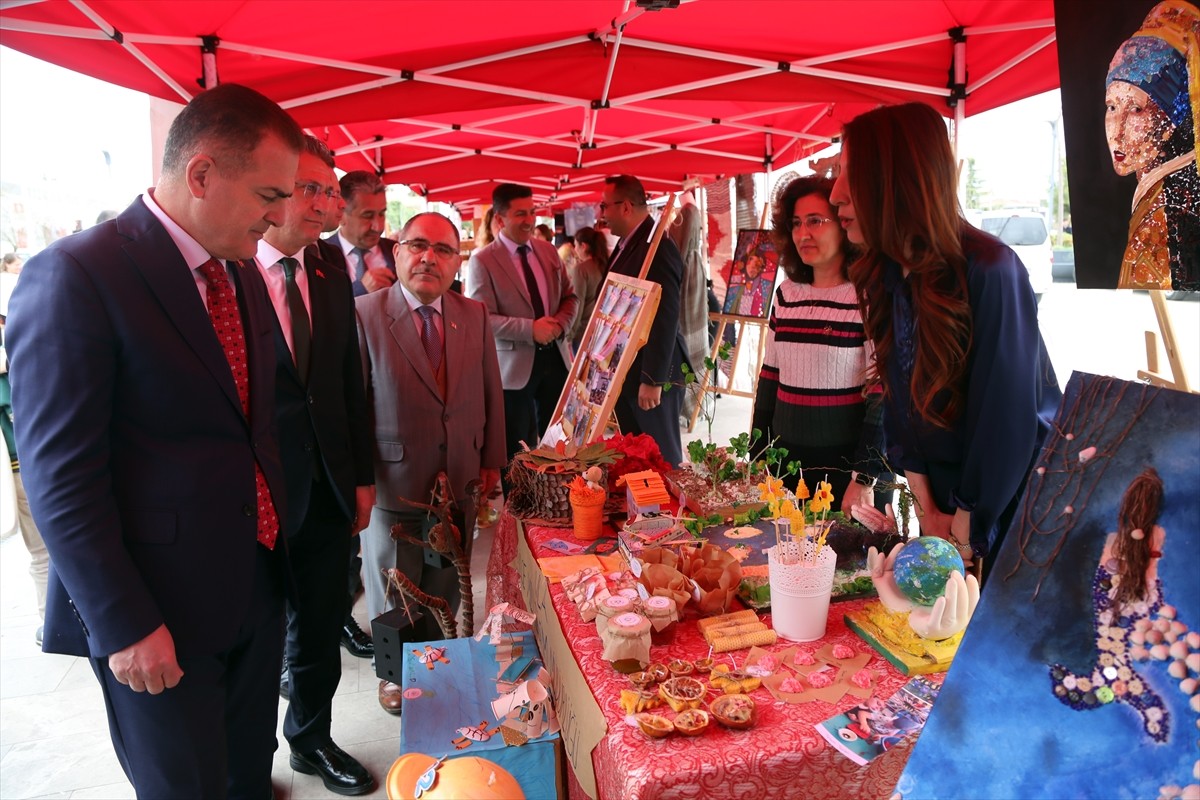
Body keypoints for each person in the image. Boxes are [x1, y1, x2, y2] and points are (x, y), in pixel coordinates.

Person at [6, 83, 302, 799]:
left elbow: (253, 425)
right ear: (201, 174)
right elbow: (61, 481)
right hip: (159, 615)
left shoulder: (240, 272)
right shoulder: (77, 276)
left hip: (256, 592)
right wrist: (124, 624)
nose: (279, 214)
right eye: (268, 193)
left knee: (245, 780)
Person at [830, 102, 1062, 571]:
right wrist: (929, 511)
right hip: (943, 514)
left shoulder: (991, 269)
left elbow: (1005, 424)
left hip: (1012, 519)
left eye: (851, 173)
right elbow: (901, 405)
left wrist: (962, 526)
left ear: (898, 179)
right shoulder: (892, 275)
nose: (835, 194)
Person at [255, 136, 376, 795]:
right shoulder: (229, 264)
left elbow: (345, 381)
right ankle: (245, 757)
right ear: (270, 189)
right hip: (251, 493)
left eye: (332, 191)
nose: (327, 202)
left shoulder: (330, 264)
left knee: (319, 626)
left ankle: (311, 739)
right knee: (251, 633)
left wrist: (360, 477)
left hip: (327, 486)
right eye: (312, 189)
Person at [356, 212, 505, 715]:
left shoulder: (473, 314)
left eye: (443, 250)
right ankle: (395, 676)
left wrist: (491, 463)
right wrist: (358, 481)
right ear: (396, 252)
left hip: (458, 479)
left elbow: (491, 392)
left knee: (448, 581)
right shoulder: (366, 314)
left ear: (456, 261)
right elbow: (353, 409)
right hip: (390, 483)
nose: (429, 258)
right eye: (418, 246)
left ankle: (439, 661)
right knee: (396, 586)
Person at [751, 175, 884, 510]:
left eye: (815, 221)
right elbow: (769, 379)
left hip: (847, 476)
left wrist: (864, 478)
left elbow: (884, 394)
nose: (803, 234)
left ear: (845, 226)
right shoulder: (786, 296)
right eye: (796, 223)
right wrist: (757, 456)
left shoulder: (869, 298)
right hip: (786, 468)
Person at [466, 183, 577, 463]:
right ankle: (519, 506)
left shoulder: (548, 251)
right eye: (520, 214)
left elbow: (570, 297)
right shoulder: (483, 261)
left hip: (557, 359)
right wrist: (530, 330)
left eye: (532, 212)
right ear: (500, 219)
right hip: (513, 371)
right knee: (516, 451)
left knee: (560, 444)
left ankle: (560, 498)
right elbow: (484, 318)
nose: (529, 220)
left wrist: (560, 325)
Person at [1105, 0, 1199, 291]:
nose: (1117, 132)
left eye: (1135, 110)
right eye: (1110, 107)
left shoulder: (1166, 214)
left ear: (1172, 120)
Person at [600, 175, 691, 466]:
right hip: (628, 370)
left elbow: (665, 315)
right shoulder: (630, 243)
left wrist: (653, 379)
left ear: (625, 207)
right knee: (637, 458)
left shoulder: (657, 246)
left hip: (651, 373)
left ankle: (672, 511)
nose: (603, 214)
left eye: (606, 206)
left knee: (662, 458)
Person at [669, 189, 711, 422]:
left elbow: (680, 249)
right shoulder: (688, 211)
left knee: (690, 337)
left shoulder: (688, 212)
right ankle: (694, 404)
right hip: (691, 274)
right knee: (693, 338)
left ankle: (694, 404)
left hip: (687, 277)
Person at [325, 171, 398, 296]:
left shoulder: (398, 251)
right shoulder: (319, 255)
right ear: (341, 214)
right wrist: (360, 289)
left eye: (382, 214)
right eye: (367, 216)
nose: (378, 226)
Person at [567, 226, 608, 347]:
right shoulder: (606, 264)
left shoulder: (581, 269)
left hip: (584, 332)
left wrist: (570, 335)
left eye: (576, 245)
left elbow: (577, 303)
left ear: (583, 246)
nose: (575, 249)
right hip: (604, 330)